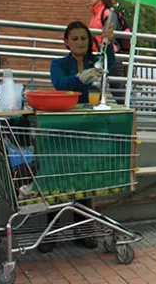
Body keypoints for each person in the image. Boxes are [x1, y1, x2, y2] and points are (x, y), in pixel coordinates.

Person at [43, 21, 115, 252]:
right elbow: (59, 84)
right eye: (74, 38)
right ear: (66, 41)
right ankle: (51, 234)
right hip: (64, 123)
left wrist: (109, 42)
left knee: (84, 179)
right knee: (59, 178)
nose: (79, 42)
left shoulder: (97, 60)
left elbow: (110, 63)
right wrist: (79, 78)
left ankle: (83, 231)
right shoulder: (59, 64)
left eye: (83, 38)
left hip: (89, 125)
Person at [87, 0, 126, 103]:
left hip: (110, 56)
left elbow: (111, 35)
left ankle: (128, 115)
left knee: (118, 91)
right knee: (94, 88)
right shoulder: (95, 14)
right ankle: (96, 114)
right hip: (99, 56)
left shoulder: (106, 13)